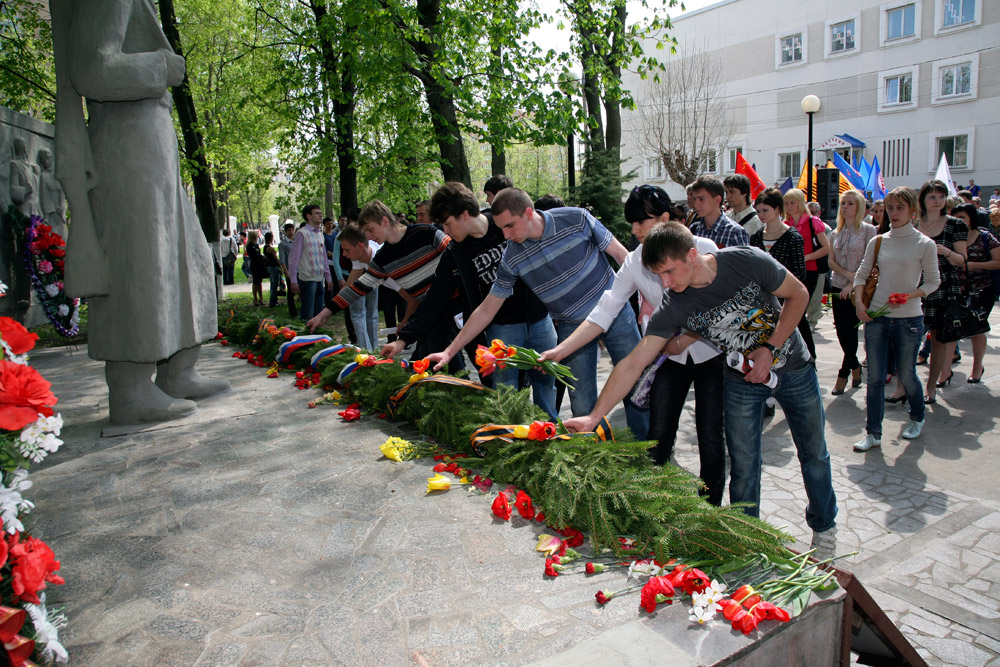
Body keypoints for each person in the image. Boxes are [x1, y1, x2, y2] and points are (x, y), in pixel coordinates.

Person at [566, 222, 837, 540]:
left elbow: (799, 294)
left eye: (668, 272)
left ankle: (823, 521)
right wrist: (595, 417)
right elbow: (634, 362)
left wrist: (769, 348)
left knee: (814, 452)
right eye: (658, 276)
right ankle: (746, 534)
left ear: (692, 255)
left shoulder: (746, 260)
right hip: (741, 381)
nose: (665, 284)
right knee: (744, 462)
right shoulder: (674, 305)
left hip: (794, 368)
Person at [57, 0, 227, 423]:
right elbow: (93, 70)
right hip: (126, 135)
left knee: (187, 259)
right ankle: (131, 388)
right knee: (141, 260)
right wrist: (162, 67)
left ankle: (177, 370)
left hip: (148, 132)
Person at [542, 185, 725, 504]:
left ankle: (710, 511)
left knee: (710, 436)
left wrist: (687, 338)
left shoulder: (703, 247)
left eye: (642, 221)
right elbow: (605, 310)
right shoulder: (635, 262)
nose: (635, 230)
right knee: (657, 434)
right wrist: (561, 349)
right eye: (632, 223)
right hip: (669, 358)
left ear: (666, 218)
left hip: (712, 357)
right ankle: (658, 502)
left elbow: (722, 306)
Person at [426, 188, 649, 437]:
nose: (506, 236)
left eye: (510, 226)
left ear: (529, 213)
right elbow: (488, 307)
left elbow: (622, 256)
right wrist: (449, 351)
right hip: (571, 326)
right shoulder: (511, 257)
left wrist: (647, 298)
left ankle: (649, 453)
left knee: (638, 385)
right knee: (582, 400)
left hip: (615, 312)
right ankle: (592, 460)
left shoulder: (577, 219)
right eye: (501, 229)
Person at [382, 182, 558, 416]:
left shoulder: (504, 227)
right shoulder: (455, 252)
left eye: (448, 223)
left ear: (464, 214)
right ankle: (510, 439)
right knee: (505, 392)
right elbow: (435, 298)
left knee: (546, 383)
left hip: (538, 319)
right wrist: (403, 340)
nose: (445, 231)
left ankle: (550, 433)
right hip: (501, 329)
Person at [852, 187, 940, 451]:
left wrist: (910, 295)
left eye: (900, 208)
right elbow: (861, 274)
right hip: (876, 318)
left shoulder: (924, 244)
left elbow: (934, 281)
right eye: (890, 208)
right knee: (876, 378)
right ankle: (873, 432)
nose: (894, 213)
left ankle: (917, 417)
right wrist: (859, 302)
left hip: (909, 319)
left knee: (907, 374)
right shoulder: (878, 241)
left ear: (913, 211)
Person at [307, 201, 445, 360]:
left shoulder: (426, 232)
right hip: (431, 313)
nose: (368, 236)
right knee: (432, 362)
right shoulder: (382, 259)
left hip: (452, 308)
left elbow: (457, 256)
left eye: (370, 230)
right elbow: (356, 288)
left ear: (385, 221)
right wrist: (324, 313)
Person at [917, 180, 968, 404]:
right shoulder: (914, 222)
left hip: (943, 285)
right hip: (915, 285)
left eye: (940, 196)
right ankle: (904, 386)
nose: (937, 201)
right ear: (923, 199)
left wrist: (945, 251)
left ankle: (931, 386)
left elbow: (962, 260)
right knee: (908, 336)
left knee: (938, 337)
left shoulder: (955, 224)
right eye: (932, 196)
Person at [749, 188, 815, 361]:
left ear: (777, 209)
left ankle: (809, 364)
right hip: (763, 303)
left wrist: (782, 289)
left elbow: (799, 272)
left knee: (799, 336)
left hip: (787, 299)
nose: (761, 215)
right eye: (758, 211)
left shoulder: (792, 237)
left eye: (765, 210)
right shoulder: (756, 238)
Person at [827, 190, 877, 394]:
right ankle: (855, 367)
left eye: (850, 203)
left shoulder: (868, 230)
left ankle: (844, 373)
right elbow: (831, 261)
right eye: (843, 203)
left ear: (859, 208)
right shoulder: (835, 232)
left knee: (852, 332)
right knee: (842, 333)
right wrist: (847, 275)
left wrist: (854, 282)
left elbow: (870, 260)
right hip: (838, 285)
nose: (845, 207)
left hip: (859, 289)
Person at [952, 203, 1000, 383]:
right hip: (956, 290)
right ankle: (945, 370)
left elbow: (998, 262)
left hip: (981, 291)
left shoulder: (986, 238)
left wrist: (975, 265)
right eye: (955, 217)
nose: (958, 221)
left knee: (977, 329)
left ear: (971, 218)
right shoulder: (952, 238)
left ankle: (977, 367)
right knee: (952, 329)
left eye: (962, 217)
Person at [784, 188, 830, 331]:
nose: (789, 206)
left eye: (793, 203)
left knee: (800, 309)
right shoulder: (785, 223)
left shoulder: (813, 221)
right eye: (786, 203)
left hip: (810, 270)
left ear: (800, 203)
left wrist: (805, 258)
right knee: (792, 309)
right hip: (791, 270)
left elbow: (826, 247)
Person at [336, 223, 383, 350]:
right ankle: (369, 352)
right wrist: (338, 299)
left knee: (364, 314)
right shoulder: (358, 255)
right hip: (369, 281)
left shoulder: (380, 257)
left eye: (346, 250)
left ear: (360, 246)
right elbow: (352, 278)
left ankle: (370, 351)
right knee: (364, 315)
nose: (344, 255)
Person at [288, 204, 334, 322]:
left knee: (318, 314)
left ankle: (317, 337)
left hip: (319, 278)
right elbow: (294, 259)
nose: (320, 215)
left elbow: (324, 257)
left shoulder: (319, 234)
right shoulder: (302, 234)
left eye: (320, 213)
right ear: (308, 216)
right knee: (307, 314)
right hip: (307, 279)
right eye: (317, 213)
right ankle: (306, 338)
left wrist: (328, 276)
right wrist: (293, 280)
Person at [688, 175, 750, 248]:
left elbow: (744, 259)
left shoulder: (735, 232)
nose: (696, 204)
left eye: (701, 199)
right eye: (695, 199)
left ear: (717, 200)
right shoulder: (694, 229)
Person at [278, 222, 297, 317]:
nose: (291, 232)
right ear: (285, 232)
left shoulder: (297, 241)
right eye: (289, 230)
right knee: (291, 291)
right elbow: (282, 260)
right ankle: (292, 311)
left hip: (299, 269)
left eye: (292, 230)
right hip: (290, 270)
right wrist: (286, 272)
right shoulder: (283, 244)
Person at [246, 231, 267, 306]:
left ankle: (261, 298)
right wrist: (261, 257)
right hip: (254, 265)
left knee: (259, 282)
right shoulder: (249, 246)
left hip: (259, 265)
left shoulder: (256, 245)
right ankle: (255, 299)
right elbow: (254, 256)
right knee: (255, 282)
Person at [263, 231, 281, 307]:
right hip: (273, 267)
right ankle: (272, 302)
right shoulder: (270, 249)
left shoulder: (265, 248)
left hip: (269, 267)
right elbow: (276, 259)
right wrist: (280, 266)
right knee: (274, 285)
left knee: (273, 284)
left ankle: (274, 301)